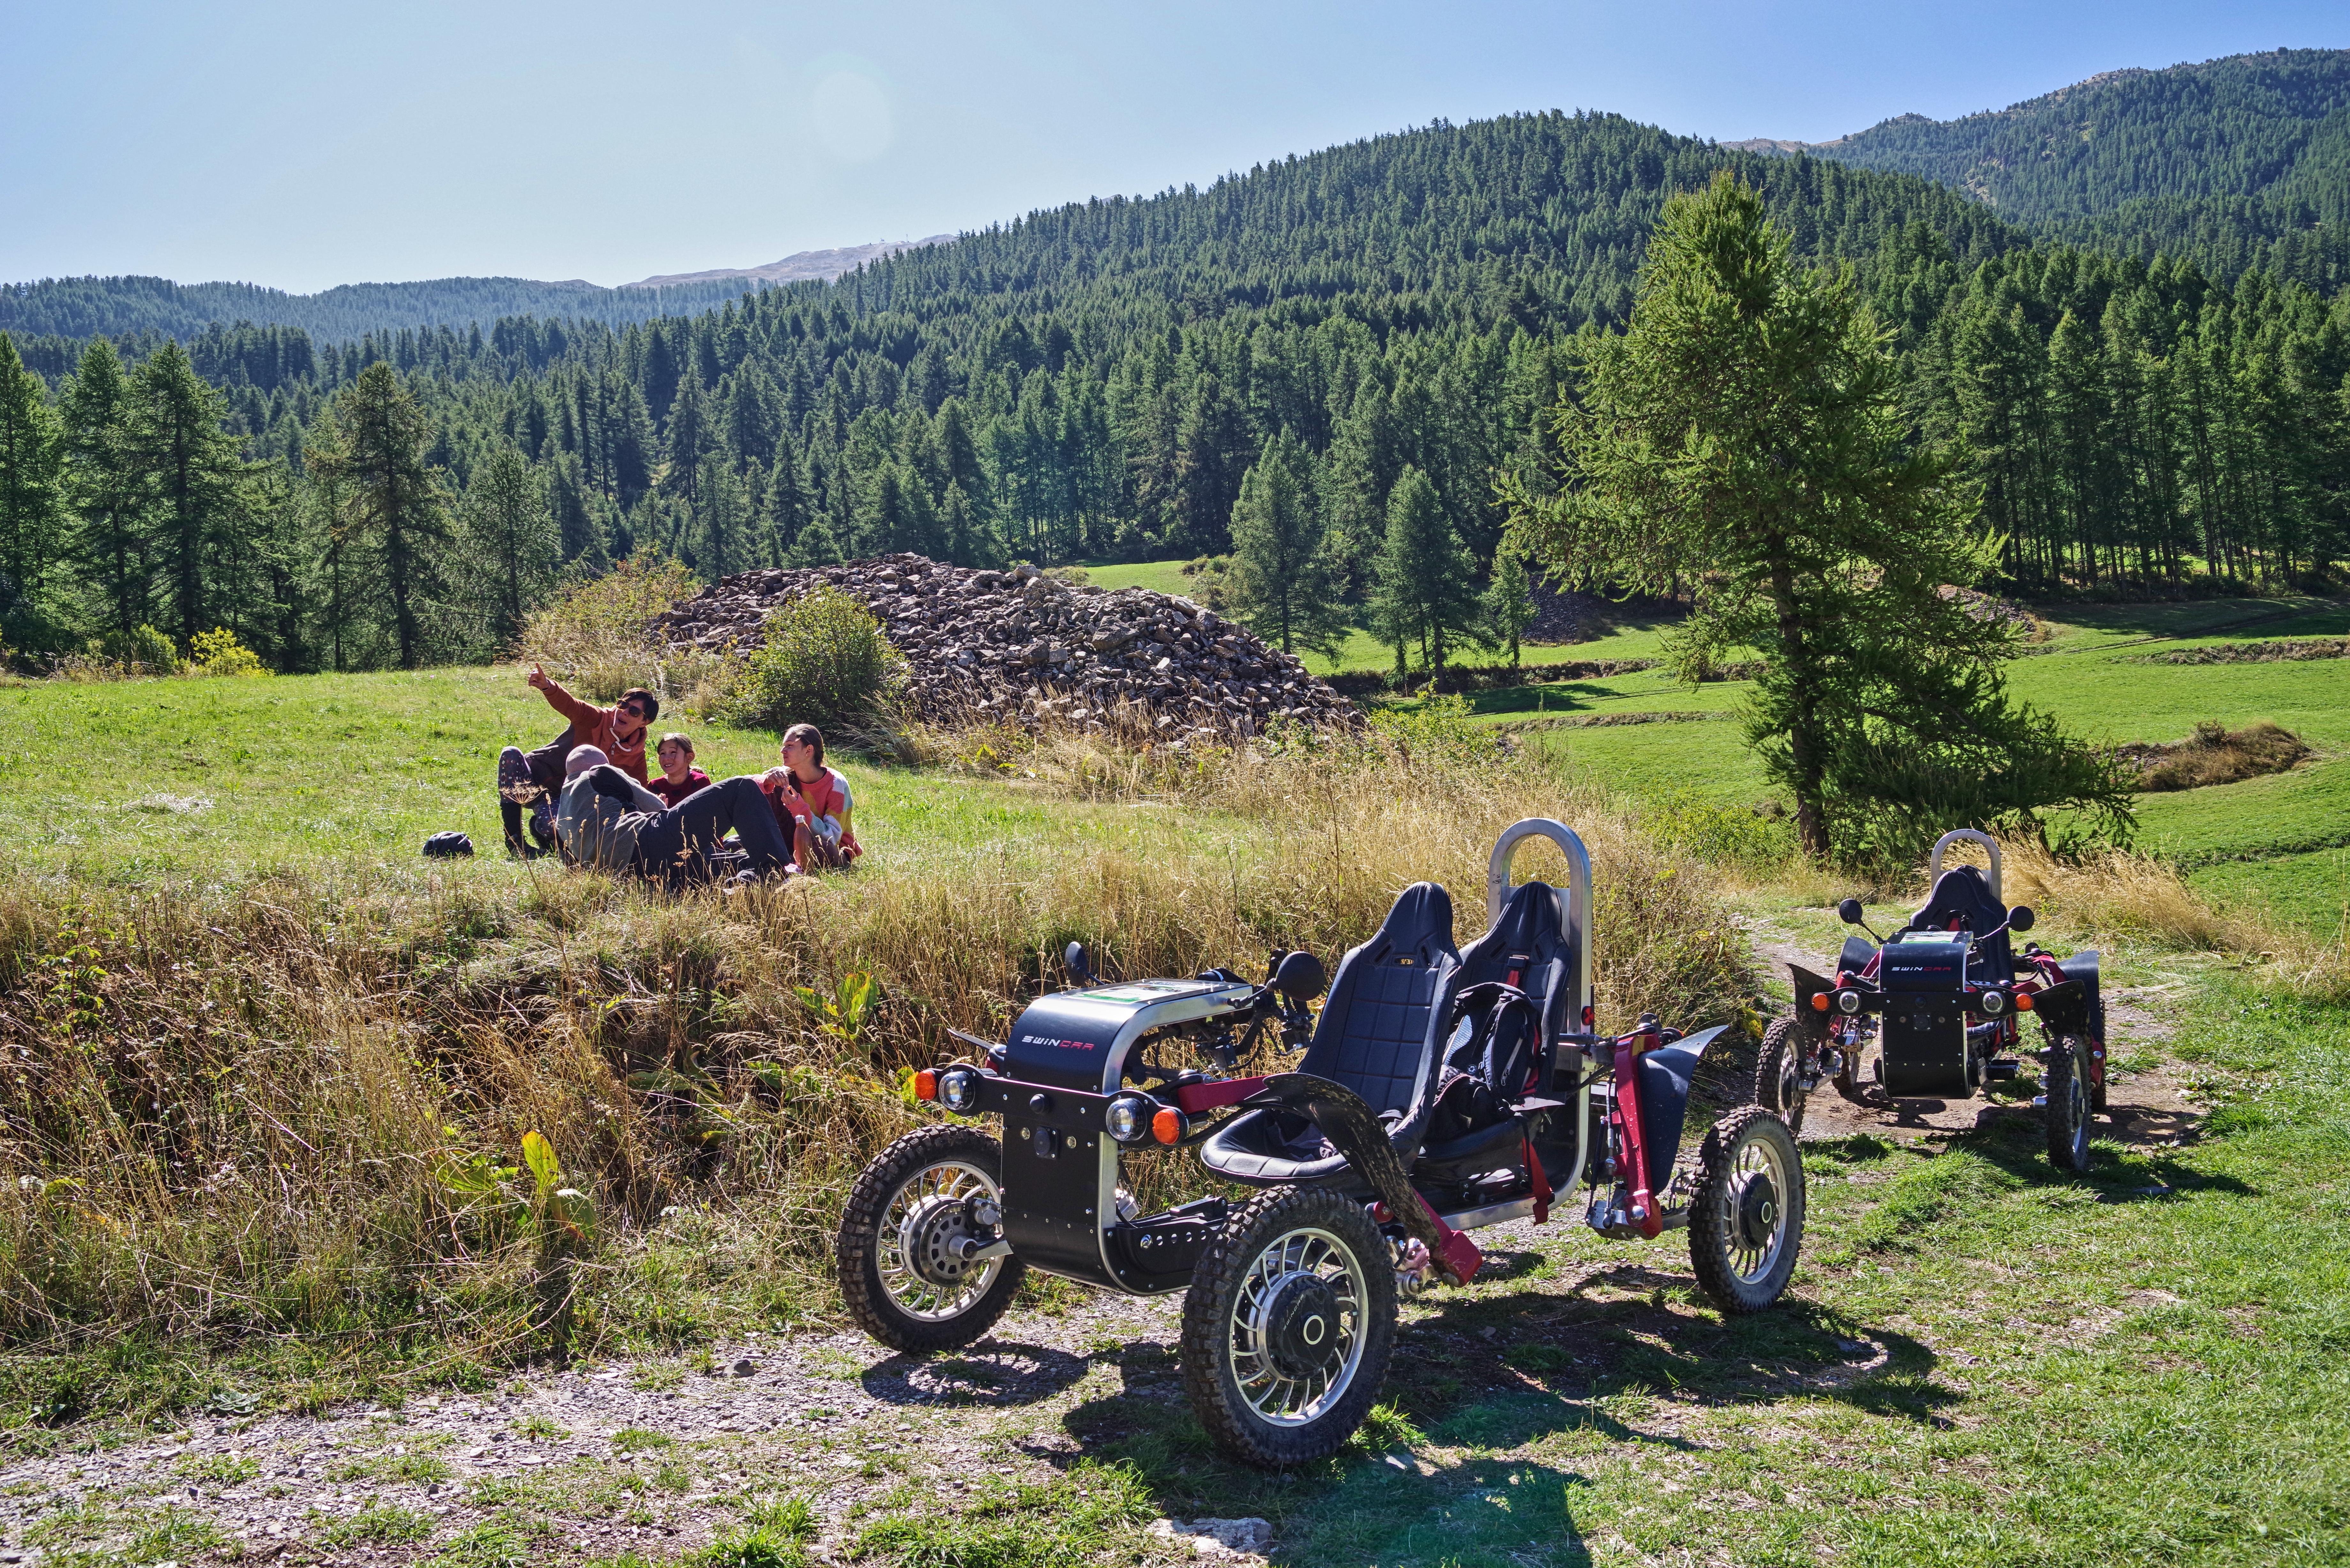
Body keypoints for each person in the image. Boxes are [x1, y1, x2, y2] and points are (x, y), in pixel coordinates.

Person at [552, 745, 796, 887]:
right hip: (647, 841)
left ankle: (743, 884)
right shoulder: (598, 772)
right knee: (741, 788)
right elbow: (655, 806)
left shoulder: (562, 810)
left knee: (735, 861)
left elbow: (573, 865)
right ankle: (776, 871)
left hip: (636, 874)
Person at [496, 665, 658, 857]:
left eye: (634, 712)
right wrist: (548, 686)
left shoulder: (636, 755)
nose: (624, 712)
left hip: (566, 798)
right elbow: (571, 704)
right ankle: (515, 841)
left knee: (561, 829)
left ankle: (541, 830)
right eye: (622, 705)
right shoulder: (596, 718)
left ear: (644, 722)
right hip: (536, 779)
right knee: (511, 755)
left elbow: (638, 790)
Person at [760, 722, 862, 871]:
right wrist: (769, 778)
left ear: (809, 750)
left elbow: (832, 838)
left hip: (830, 848)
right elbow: (752, 788)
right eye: (784, 746)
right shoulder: (787, 775)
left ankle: (789, 862)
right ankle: (786, 859)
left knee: (822, 850)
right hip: (791, 841)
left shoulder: (836, 784)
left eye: (790, 746)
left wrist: (798, 808)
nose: (783, 751)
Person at [649, 733, 712, 808]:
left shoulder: (700, 782)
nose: (666, 758)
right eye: (663, 753)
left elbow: (707, 812)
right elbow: (649, 817)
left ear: (689, 757)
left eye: (673, 752)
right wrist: (658, 809)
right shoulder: (655, 786)